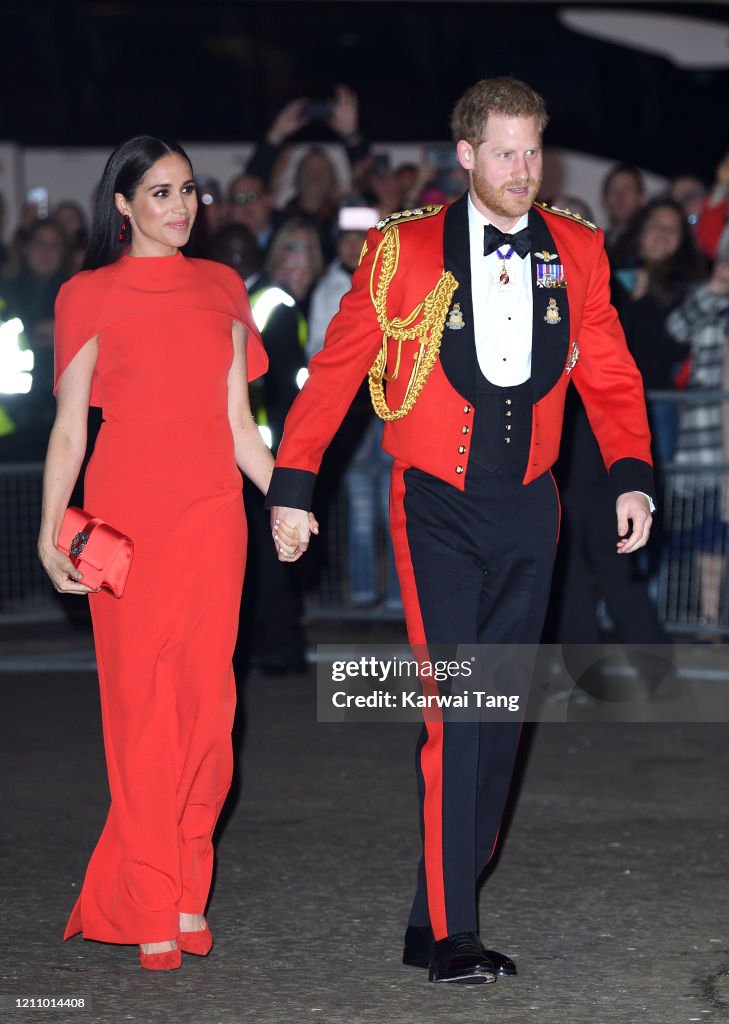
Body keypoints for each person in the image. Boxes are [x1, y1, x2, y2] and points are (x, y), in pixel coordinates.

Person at [265, 77, 654, 986]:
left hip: (531, 504)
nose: (524, 171)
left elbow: (611, 374)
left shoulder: (578, 250)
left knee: (502, 718)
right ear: (467, 156)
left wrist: (631, 475)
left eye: (534, 152)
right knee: (456, 712)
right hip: (434, 502)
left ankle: (432, 910)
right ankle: (452, 935)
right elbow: (334, 372)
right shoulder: (401, 251)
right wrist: (293, 484)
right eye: (506, 153)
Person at [36, 136, 301, 971]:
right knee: (142, 716)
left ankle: (187, 887)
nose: (180, 206)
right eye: (159, 192)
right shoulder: (87, 295)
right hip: (128, 522)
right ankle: (151, 899)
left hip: (212, 519)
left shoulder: (224, 289)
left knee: (209, 715)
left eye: (188, 190)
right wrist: (52, 532)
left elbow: (238, 427)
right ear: (122, 205)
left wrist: (287, 498)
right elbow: (72, 426)